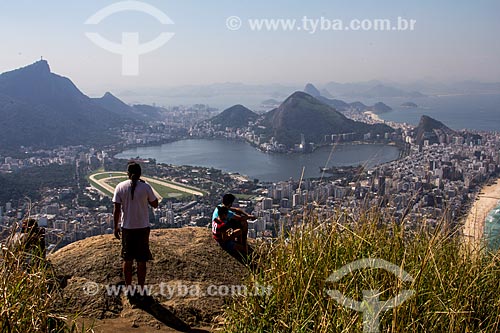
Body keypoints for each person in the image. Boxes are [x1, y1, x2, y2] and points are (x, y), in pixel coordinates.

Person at [113, 162, 158, 296]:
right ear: (140, 174)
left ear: (127, 173)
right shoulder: (145, 187)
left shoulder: (120, 187)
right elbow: (155, 204)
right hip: (143, 228)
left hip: (127, 228)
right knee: (141, 260)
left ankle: (128, 288)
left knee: (127, 259)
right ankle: (141, 288)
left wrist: (115, 227)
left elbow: (116, 210)